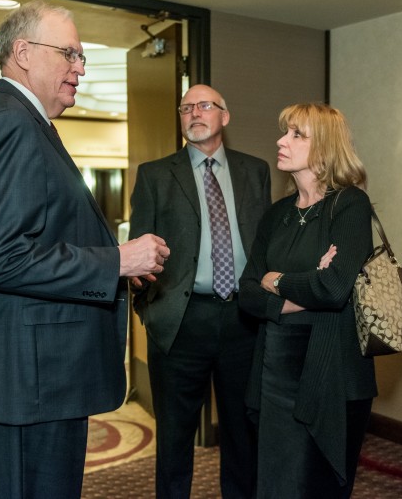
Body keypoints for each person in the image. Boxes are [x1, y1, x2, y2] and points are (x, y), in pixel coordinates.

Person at [0, 0, 169, 499]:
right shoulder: (11, 123)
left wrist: (114, 264)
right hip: (29, 380)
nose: (80, 68)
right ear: (23, 53)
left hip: (35, 375)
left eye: (81, 56)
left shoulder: (21, 120)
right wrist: (117, 260)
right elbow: (2, 257)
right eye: (69, 53)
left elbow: (33, 239)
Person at [129, 84, 272, 498]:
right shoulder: (155, 174)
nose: (194, 112)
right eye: (186, 107)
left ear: (224, 116)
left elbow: (265, 242)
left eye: (204, 105)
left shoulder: (255, 171)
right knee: (174, 438)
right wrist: (149, 309)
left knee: (243, 434)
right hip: (180, 322)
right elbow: (138, 254)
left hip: (243, 321)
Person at [238, 103, 377, 498]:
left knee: (317, 487)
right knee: (274, 483)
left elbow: (334, 289)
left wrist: (277, 280)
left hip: (330, 372)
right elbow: (247, 292)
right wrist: (308, 284)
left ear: (326, 146)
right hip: (273, 370)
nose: (281, 141)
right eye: (285, 132)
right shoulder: (276, 214)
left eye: (296, 134)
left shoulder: (349, 204)